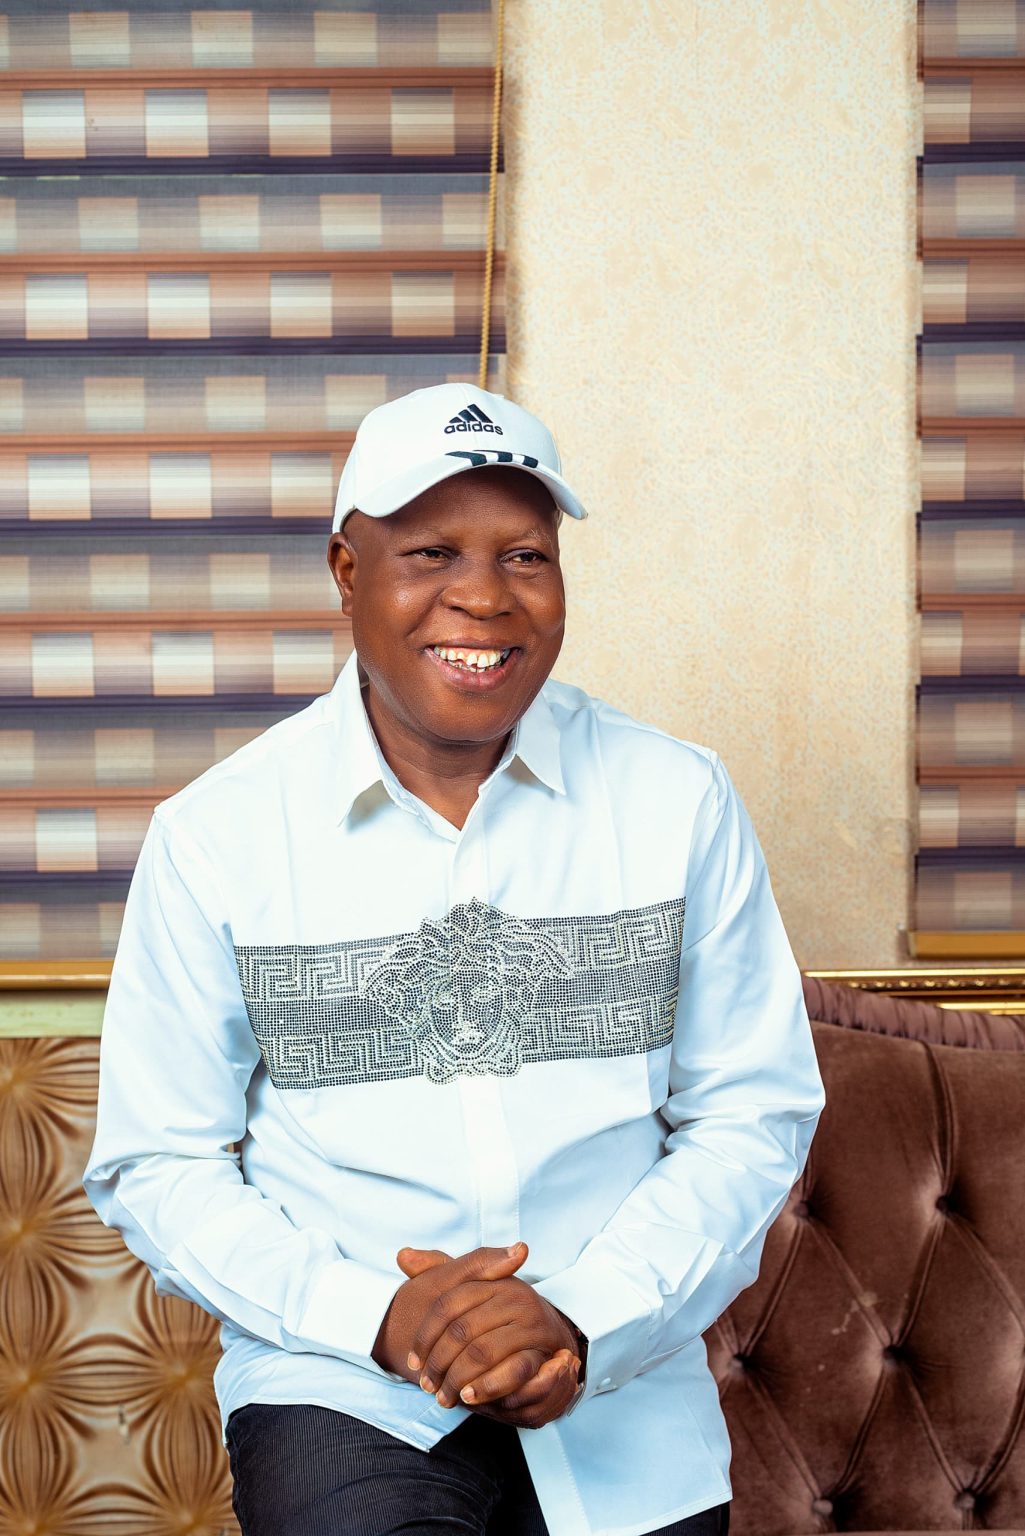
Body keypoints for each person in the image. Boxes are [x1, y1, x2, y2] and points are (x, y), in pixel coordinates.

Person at [82, 383, 826, 1536]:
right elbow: (158, 1159)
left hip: (620, 1387)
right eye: (430, 552)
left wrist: (580, 1316)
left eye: (524, 555)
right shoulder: (218, 836)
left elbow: (749, 1110)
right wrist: (379, 1315)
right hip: (338, 1386)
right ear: (346, 573)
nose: (482, 595)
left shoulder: (677, 799)